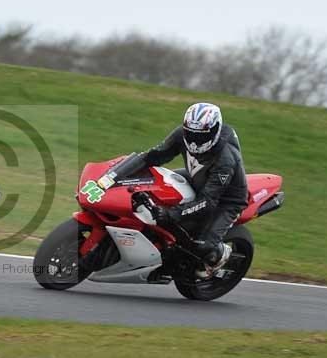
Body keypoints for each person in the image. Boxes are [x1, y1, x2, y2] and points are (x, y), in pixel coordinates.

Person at [97, 102, 248, 278]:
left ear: (215, 130)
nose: (194, 140)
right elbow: (153, 156)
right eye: (191, 133)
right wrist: (112, 176)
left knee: (201, 245)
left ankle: (219, 255)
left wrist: (171, 214)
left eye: (200, 136)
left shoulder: (225, 160)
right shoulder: (181, 135)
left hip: (225, 199)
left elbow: (208, 201)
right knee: (151, 184)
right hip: (196, 178)